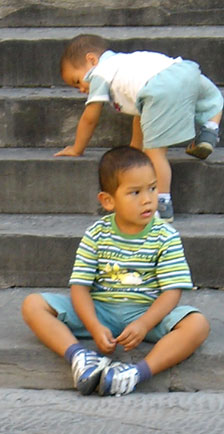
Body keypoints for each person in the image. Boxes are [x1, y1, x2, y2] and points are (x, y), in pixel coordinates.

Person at [22, 146, 210, 396]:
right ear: (108, 200)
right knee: (33, 305)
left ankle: (134, 373)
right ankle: (80, 357)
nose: (147, 199)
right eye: (135, 192)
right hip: (100, 311)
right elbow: (80, 287)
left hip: (147, 312)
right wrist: (94, 326)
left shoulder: (165, 236)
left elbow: (172, 291)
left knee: (197, 324)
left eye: (153, 188)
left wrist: (144, 324)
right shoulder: (96, 234)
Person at [55, 33, 224, 221]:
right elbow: (142, 116)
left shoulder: (99, 73)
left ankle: (162, 202)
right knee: (211, 97)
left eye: (77, 81)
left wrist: (77, 149)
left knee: (156, 153)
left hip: (161, 87)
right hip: (183, 69)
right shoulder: (126, 63)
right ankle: (210, 130)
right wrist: (134, 151)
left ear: (91, 60)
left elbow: (90, 118)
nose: (80, 89)